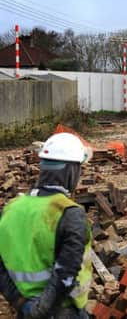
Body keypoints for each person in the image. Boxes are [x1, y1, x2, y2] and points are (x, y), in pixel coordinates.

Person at [0, 133, 93, 319]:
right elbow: (66, 273)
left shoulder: (11, 209)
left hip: (24, 309)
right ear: (71, 171)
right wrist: (40, 310)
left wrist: (20, 303)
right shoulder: (69, 213)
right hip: (62, 312)